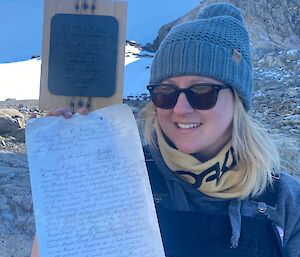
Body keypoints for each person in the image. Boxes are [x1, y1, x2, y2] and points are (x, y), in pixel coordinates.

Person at [31, 3, 300, 257]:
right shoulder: (120, 179)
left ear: (238, 100)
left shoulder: (286, 201)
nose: (181, 108)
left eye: (202, 91)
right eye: (165, 92)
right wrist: (63, 181)